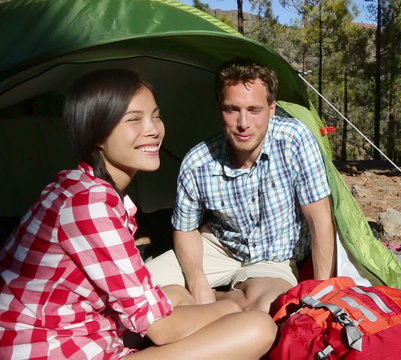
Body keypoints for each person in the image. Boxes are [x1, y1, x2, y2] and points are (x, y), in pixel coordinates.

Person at [0, 69, 276, 360]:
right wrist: (234, 305)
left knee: (177, 294)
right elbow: (162, 330)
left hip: (81, 328)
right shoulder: (89, 203)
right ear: (97, 132)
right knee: (257, 327)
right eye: (134, 120)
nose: (154, 129)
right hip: (53, 350)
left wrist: (218, 305)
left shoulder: (77, 184)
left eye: (155, 116)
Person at [146, 59, 335, 312]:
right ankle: (203, 302)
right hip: (219, 247)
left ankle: (199, 305)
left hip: (274, 256)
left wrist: (321, 295)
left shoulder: (294, 140)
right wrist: (197, 281)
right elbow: (185, 228)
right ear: (219, 109)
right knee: (138, 291)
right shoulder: (198, 161)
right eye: (232, 109)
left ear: (272, 109)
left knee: (267, 306)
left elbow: (320, 219)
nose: (243, 123)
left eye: (254, 110)